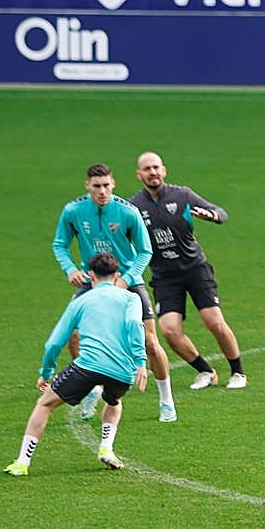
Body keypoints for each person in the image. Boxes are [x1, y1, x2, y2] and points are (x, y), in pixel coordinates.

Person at [53, 163, 177, 423]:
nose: (102, 191)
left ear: (114, 184)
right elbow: (60, 244)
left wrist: (128, 279)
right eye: (96, 186)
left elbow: (145, 251)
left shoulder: (127, 212)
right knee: (74, 336)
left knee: (150, 342)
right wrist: (70, 269)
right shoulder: (73, 211)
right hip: (93, 281)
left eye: (106, 186)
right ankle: (92, 388)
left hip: (128, 280)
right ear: (87, 186)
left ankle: (166, 401)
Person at [4, 253, 148, 476]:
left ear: (91, 276)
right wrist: (140, 361)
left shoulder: (81, 301)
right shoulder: (131, 298)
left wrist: (46, 372)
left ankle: (23, 462)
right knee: (114, 400)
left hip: (88, 366)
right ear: (117, 276)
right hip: (123, 370)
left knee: (44, 404)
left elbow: (54, 343)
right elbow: (133, 324)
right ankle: (106, 448)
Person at [130, 151, 247, 390]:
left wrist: (211, 215)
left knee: (213, 321)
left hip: (195, 269)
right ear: (139, 174)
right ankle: (205, 371)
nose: (152, 172)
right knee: (169, 330)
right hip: (164, 276)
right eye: (147, 169)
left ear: (164, 170)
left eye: (156, 167)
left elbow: (221, 213)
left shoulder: (182, 195)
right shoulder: (134, 206)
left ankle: (238, 372)